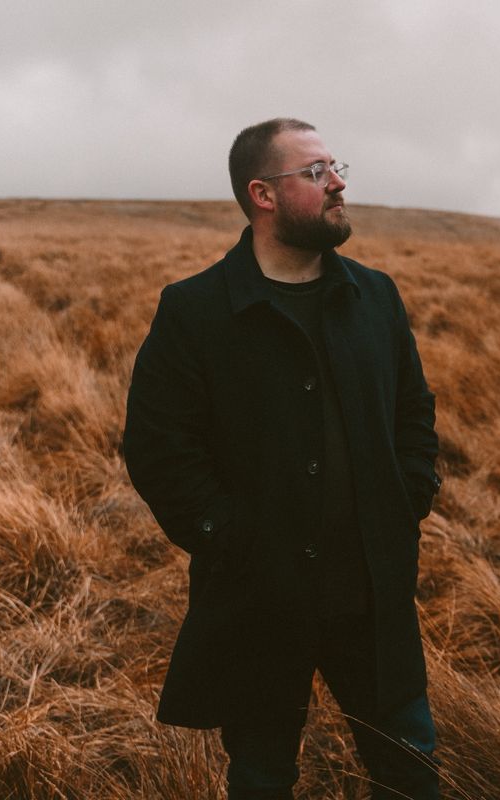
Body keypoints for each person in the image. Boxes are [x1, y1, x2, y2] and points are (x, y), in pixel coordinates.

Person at [123, 117, 442, 799]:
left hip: (370, 592)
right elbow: (158, 450)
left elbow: (413, 413)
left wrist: (404, 502)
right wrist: (231, 539)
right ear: (263, 194)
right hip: (259, 598)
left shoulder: (374, 295)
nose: (339, 183)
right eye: (318, 172)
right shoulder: (196, 310)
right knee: (263, 775)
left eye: (336, 167)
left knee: (409, 767)